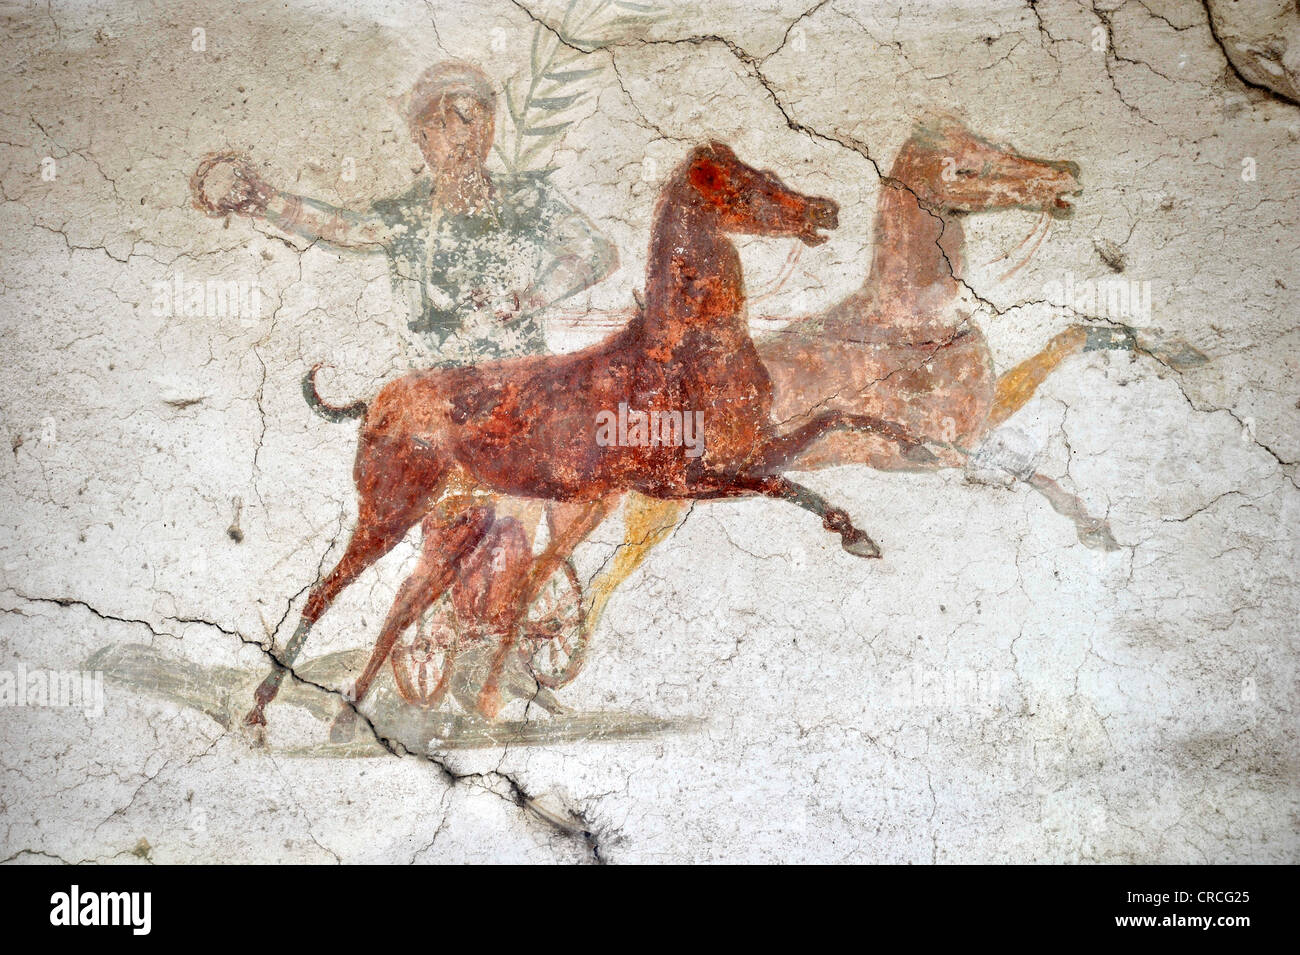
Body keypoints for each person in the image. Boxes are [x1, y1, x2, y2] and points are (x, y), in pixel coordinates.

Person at [191, 60, 619, 648]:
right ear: (422, 139)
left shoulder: (527, 199)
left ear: (491, 128)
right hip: (441, 404)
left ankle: (520, 594)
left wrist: (530, 295)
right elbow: (342, 227)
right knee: (424, 501)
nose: (462, 138)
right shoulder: (410, 216)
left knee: (561, 477)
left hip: (521, 391)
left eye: (472, 120)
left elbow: (596, 252)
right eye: (442, 126)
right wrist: (263, 200)